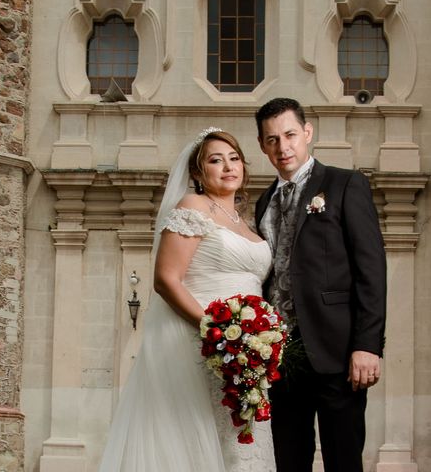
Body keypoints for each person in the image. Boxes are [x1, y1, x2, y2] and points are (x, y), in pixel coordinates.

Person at [98, 128, 277, 472]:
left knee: (240, 439)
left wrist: (254, 340)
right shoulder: (192, 206)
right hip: (204, 341)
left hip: (249, 349)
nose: (228, 167)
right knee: (201, 439)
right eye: (215, 160)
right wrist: (218, 332)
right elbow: (166, 279)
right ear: (197, 173)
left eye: (234, 158)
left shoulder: (247, 221)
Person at [254, 97, 386, 472]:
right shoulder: (264, 202)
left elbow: (371, 269)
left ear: (307, 133)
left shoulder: (346, 184)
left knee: (343, 462)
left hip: (337, 352)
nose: (283, 147)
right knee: (288, 461)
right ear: (263, 145)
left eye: (290, 135)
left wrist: (367, 345)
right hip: (281, 357)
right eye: (272, 139)